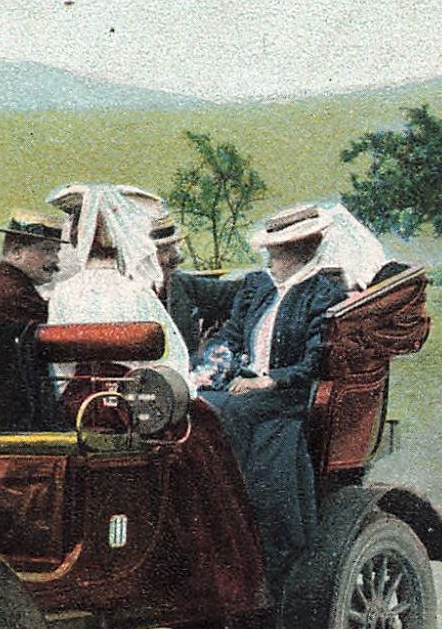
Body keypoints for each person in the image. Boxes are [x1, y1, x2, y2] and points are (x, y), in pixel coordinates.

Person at [195, 204, 345, 593]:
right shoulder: (258, 287)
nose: (270, 260)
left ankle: (230, 500)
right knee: (201, 401)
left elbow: (317, 359)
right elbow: (230, 334)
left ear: (300, 252)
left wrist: (270, 381)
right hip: (244, 385)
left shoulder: (323, 293)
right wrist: (205, 368)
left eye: (276, 254)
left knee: (223, 408)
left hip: (289, 395)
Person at [45, 184, 190, 379]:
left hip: (78, 397)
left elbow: (59, 366)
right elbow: (173, 359)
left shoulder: (62, 292)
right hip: (131, 394)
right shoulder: (137, 291)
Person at [0, 210, 63, 432]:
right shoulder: (15, 292)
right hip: (3, 410)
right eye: (47, 250)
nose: (55, 260)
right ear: (17, 251)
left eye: (57, 251)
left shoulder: (4, 281)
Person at [149, 212, 239, 349]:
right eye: (163, 250)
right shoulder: (129, 290)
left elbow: (237, 291)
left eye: (175, 246)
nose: (174, 257)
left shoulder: (182, 284)